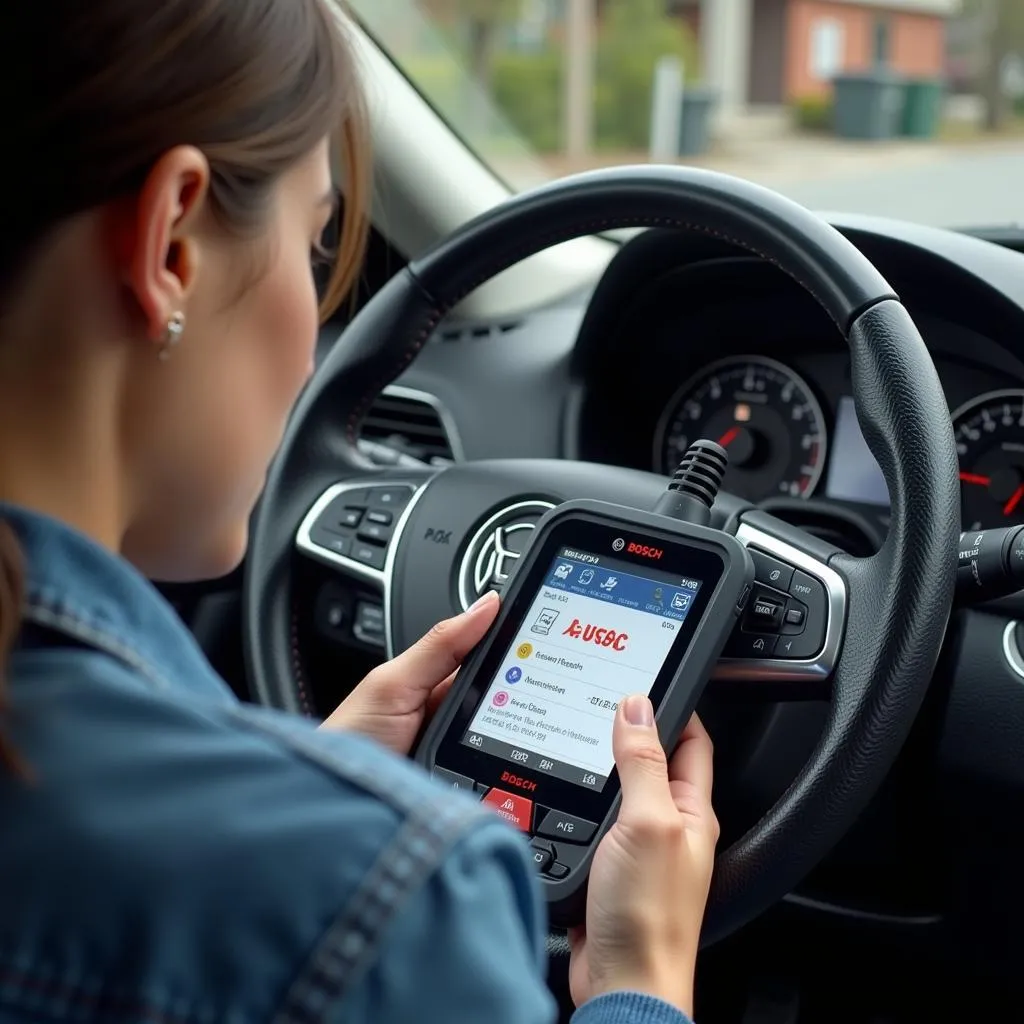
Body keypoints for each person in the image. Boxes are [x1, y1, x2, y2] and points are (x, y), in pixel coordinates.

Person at [0, 2, 720, 1022]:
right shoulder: (381, 905)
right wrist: (641, 978)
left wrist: (307, 785)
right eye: (314, 241)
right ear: (172, 246)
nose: (311, 351)